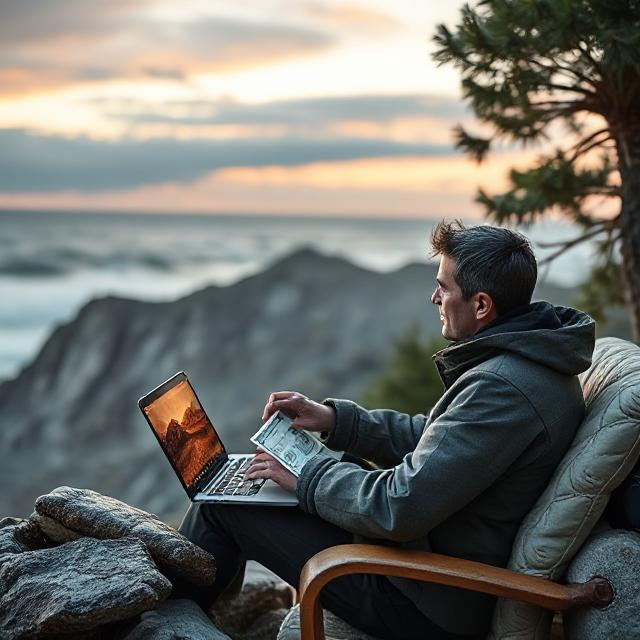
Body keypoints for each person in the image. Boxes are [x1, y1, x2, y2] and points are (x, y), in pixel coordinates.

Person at [179, 221, 595, 640]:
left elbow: (399, 507)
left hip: (421, 595)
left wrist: (308, 476)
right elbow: (437, 439)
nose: (435, 297)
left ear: (482, 305)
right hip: (425, 561)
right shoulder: (530, 362)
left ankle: (161, 624)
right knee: (254, 489)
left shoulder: (503, 388)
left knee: (222, 505)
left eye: (444, 288)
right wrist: (335, 421)